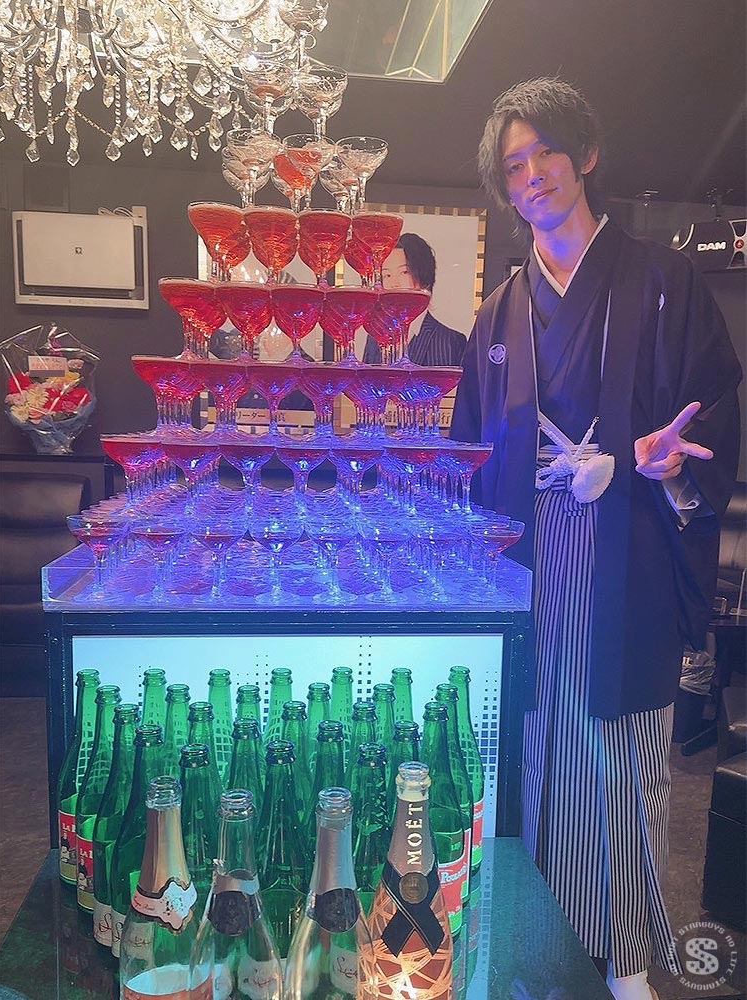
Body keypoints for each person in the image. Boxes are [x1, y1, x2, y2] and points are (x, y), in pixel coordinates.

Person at [451, 78, 742, 1000]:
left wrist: (668, 466)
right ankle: (533, 942)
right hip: (532, 557)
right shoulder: (499, 310)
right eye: (514, 165)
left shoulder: (663, 282)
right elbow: (474, 446)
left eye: (546, 151)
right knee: (530, 750)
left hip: (629, 553)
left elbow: (711, 408)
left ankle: (624, 956)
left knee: (623, 760)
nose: (532, 173)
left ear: (586, 156)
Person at [362, 232, 467, 366]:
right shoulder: (375, 338)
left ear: (424, 276)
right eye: (387, 275)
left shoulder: (450, 341)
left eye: (404, 272)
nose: (394, 284)